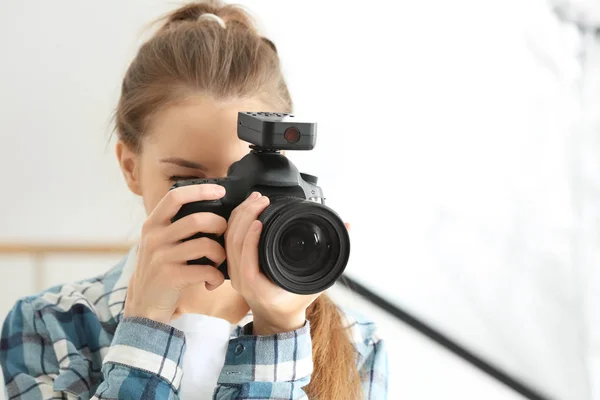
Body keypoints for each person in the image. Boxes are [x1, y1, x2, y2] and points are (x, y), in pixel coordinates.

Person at [0, 1, 388, 399]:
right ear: (131, 168)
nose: (227, 206)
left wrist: (280, 329)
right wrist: (144, 327)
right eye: (187, 180)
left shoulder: (357, 345)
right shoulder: (50, 326)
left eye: (252, 178)